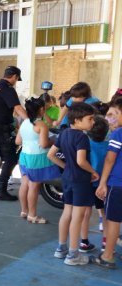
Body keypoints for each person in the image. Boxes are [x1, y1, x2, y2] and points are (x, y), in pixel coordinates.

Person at [47, 102, 98, 265]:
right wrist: (93, 172)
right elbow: (81, 161)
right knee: (78, 216)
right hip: (80, 180)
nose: (93, 122)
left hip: (67, 179)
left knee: (67, 213)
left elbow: (51, 155)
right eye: (90, 119)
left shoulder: (64, 134)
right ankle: (73, 254)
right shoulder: (82, 137)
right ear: (77, 120)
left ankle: (61, 248)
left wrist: (66, 167)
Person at [0, 66, 30, 201]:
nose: (16, 82)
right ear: (14, 76)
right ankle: (1, 190)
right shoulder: (8, 89)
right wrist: (29, 122)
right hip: (1, 130)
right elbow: (18, 108)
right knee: (11, 159)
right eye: (17, 79)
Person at [16, 96, 59, 224]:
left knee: (25, 184)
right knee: (34, 186)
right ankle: (32, 215)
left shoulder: (24, 123)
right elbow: (44, 144)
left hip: (24, 156)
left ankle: (24, 211)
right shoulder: (41, 125)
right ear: (41, 110)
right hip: (37, 157)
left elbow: (18, 141)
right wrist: (55, 140)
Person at [94, 105, 122, 269]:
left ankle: (108, 255)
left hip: (117, 184)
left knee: (113, 220)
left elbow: (110, 160)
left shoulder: (117, 134)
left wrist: (103, 182)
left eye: (113, 114)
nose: (109, 118)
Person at [79, 116, 108, 252]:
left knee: (86, 213)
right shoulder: (109, 146)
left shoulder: (86, 145)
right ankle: (106, 242)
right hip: (104, 185)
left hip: (88, 183)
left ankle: (84, 242)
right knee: (105, 213)